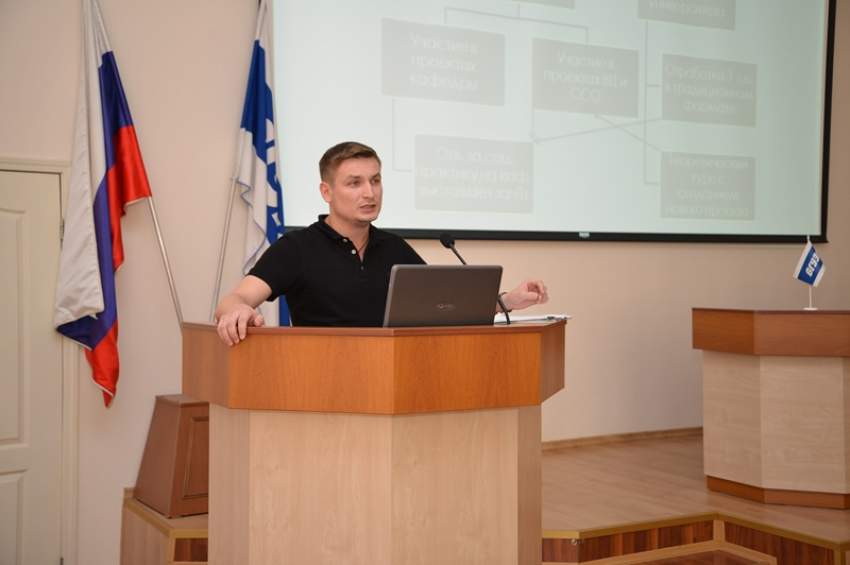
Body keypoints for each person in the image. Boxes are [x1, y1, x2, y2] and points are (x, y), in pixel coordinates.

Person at [215, 141, 548, 345]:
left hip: (396, 383)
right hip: (322, 382)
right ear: (326, 192)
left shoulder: (394, 248)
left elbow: (443, 307)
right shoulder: (297, 248)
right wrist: (238, 309)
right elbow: (234, 299)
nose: (369, 192)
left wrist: (507, 301)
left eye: (375, 180)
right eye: (355, 183)